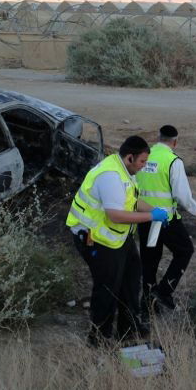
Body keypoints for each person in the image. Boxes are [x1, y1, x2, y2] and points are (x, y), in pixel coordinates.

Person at [66, 135, 169, 347]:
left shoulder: (125, 170)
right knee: (108, 287)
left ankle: (129, 329)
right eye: (142, 161)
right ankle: (99, 338)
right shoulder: (110, 176)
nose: (144, 166)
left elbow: (131, 200)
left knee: (132, 278)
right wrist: (151, 217)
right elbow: (115, 215)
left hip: (117, 236)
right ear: (130, 157)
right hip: (96, 239)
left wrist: (155, 210)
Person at [135, 125, 196, 313]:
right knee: (185, 251)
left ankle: (148, 305)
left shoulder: (144, 156)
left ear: (158, 138)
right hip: (165, 221)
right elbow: (183, 196)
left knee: (150, 261)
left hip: (144, 218)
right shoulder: (173, 161)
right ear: (175, 142)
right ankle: (164, 292)